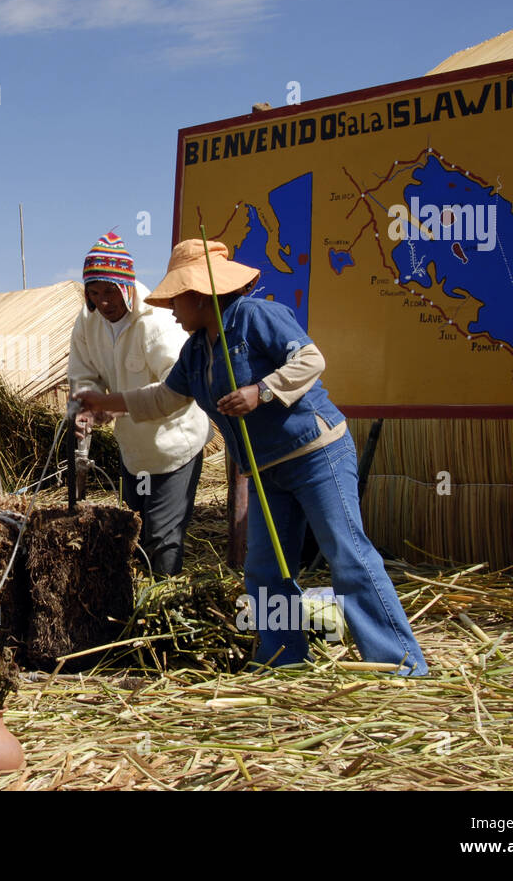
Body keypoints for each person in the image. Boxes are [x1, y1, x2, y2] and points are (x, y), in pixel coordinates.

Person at [75, 239, 428, 676]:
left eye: (176, 300)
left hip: (316, 455)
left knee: (347, 554)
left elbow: (310, 359)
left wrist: (260, 392)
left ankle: (399, 662)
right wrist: (104, 403)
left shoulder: (256, 317)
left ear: (200, 295)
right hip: (266, 470)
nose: (171, 311)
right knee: (265, 568)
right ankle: (284, 658)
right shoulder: (196, 350)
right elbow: (164, 397)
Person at [68, 232, 211, 577]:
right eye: (95, 293)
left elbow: (178, 388)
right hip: (133, 451)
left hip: (174, 447)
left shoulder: (157, 322)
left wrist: (114, 407)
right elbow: (83, 373)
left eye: (111, 291)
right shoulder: (88, 323)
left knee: (162, 539)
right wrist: (87, 406)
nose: (104, 302)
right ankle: (141, 606)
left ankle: (165, 611)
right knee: (136, 533)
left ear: (127, 285)